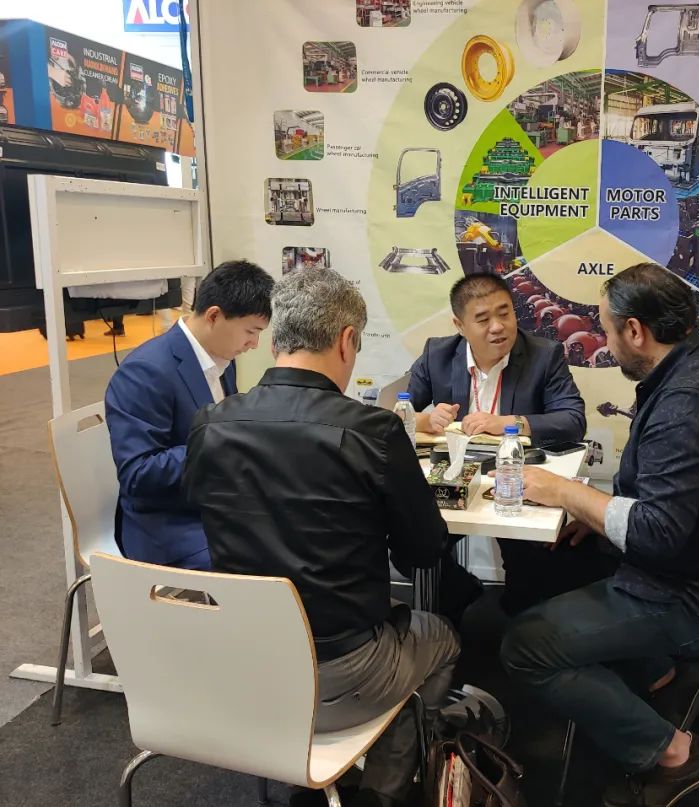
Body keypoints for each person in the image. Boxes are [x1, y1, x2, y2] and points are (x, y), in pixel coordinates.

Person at [500, 263, 699, 807]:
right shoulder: (697, 364)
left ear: (635, 331)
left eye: (606, 330)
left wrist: (567, 493)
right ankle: (658, 679)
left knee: (524, 647)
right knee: (542, 572)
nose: (604, 343)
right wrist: (594, 516)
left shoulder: (688, 402)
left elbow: (656, 533)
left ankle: (673, 754)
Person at [183, 268, 459, 807]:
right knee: (443, 636)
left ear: (276, 338)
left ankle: (307, 779)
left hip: (245, 666)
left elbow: (206, 511)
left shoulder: (209, 424)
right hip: (345, 671)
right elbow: (423, 553)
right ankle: (383, 788)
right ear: (347, 340)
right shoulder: (375, 432)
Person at [406, 272, 618, 618]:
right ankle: (460, 596)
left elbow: (572, 419)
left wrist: (509, 422)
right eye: (483, 319)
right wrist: (423, 420)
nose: (498, 327)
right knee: (414, 546)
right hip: (457, 475)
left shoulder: (543, 355)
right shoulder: (437, 354)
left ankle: (518, 627)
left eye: (504, 313)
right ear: (460, 325)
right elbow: (398, 412)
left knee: (528, 563)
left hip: (516, 477)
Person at [105, 259, 273, 570]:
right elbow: (138, 475)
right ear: (214, 316)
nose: (254, 344)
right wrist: (225, 440)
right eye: (251, 331)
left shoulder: (222, 358)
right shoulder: (145, 372)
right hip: (167, 522)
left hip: (216, 501)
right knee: (267, 561)